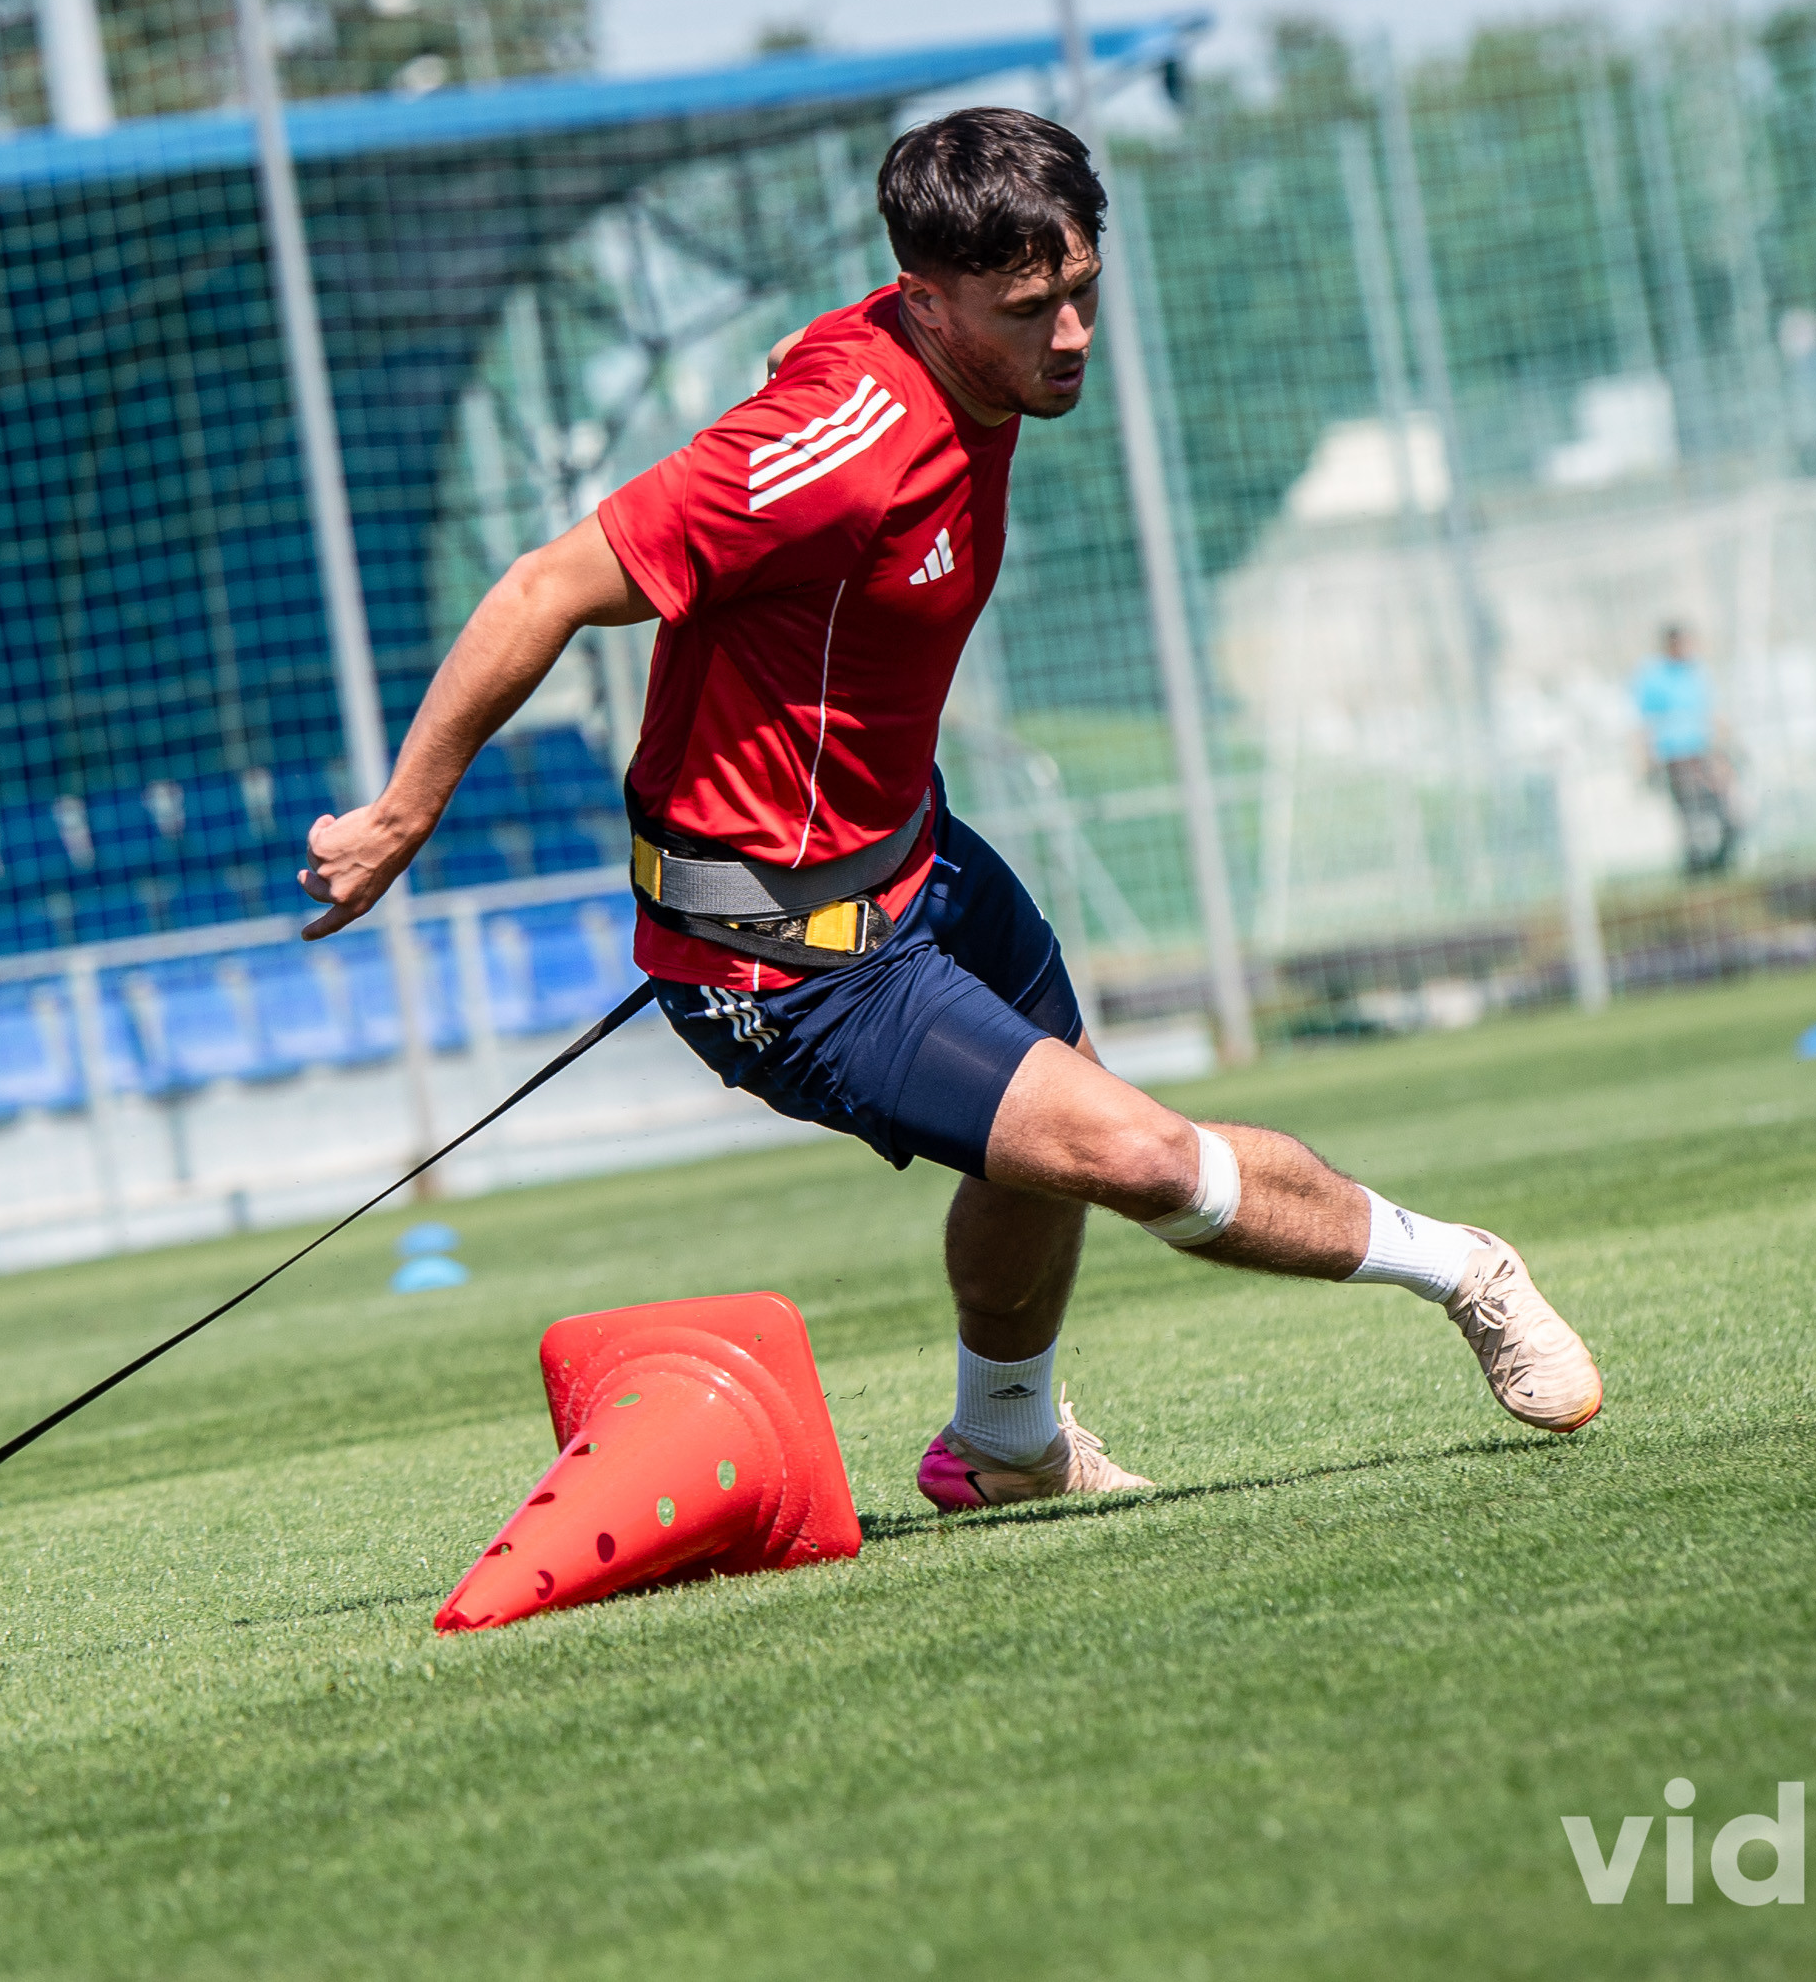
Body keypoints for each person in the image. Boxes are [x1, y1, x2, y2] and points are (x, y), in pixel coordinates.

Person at [296, 106, 1600, 1510]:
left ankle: (1001, 1441)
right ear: (924, 300)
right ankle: (1464, 1268)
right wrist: (399, 817)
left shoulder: (954, 358)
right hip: (786, 957)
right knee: (1133, 1152)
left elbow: (844, 376)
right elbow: (544, 585)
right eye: (1027, 311)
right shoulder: (832, 445)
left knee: (1040, 1148)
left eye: (1082, 289)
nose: (1071, 335)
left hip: (923, 861)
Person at [1632, 623, 1737, 875]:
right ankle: (1696, 869)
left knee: (1726, 811)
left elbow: (1711, 713)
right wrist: (1645, 760)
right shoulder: (1652, 677)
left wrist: (1727, 747)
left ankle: (1719, 866)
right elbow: (1643, 723)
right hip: (1675, 757)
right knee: (1690, 816)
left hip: (1702, 753)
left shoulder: (1697, 672)